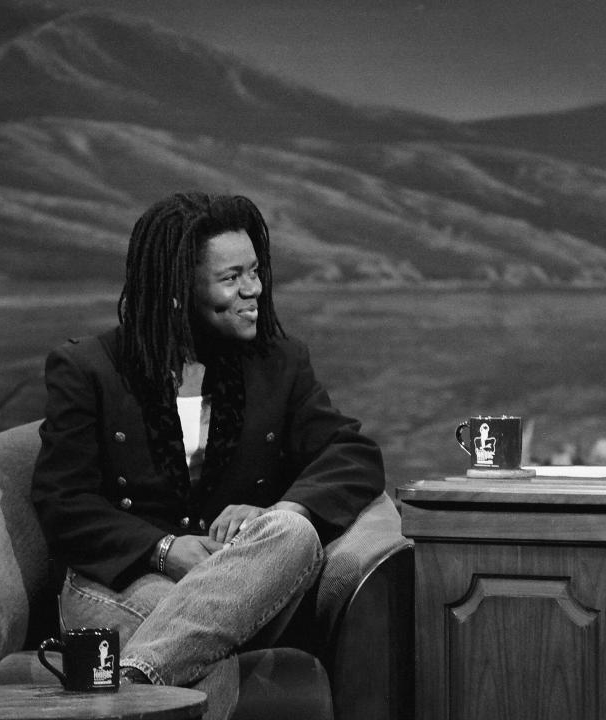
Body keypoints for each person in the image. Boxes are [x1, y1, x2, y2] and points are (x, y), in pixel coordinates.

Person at [31, 193, 385, 719]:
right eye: (232, 278)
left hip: (236, 580)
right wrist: (163, 549)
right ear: (178, 292)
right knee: (204, 650)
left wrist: (279, 514)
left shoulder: (279, 364)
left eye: (256, 272)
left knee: (294, 534)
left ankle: (128, 681)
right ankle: (147, 679)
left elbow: (351, 453)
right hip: (120, 579)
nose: (255, 291)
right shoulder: (90, 369)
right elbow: (64, 501)